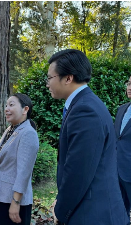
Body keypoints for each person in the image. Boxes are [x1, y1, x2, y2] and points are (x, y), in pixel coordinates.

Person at [47, 49, 128, 225]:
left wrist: (60, 210)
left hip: (92, 214)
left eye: (49, 78)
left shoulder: (85, 110)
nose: (47, 84)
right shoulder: (82, 104)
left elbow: (78, 172)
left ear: (68, 78)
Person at [0, 93, 39, 225]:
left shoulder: (28, 133)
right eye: (6, 105)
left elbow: (24, 173)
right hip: (3, 197)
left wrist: (15, 202)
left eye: (11, 105)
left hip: (14, 202)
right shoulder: (11, 129)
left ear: (25, 109)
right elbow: (0, 155)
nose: (6, 109)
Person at [115, 76, 131, 220]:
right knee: (119, 211)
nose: (130, 87)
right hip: (117, 171)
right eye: (129, 83)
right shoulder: (121, 109)